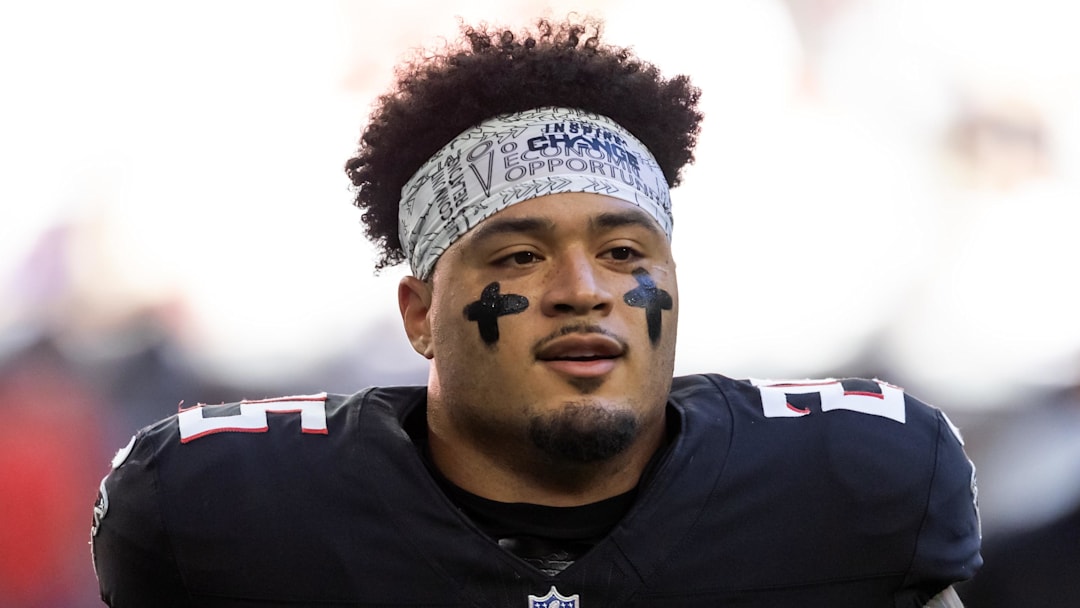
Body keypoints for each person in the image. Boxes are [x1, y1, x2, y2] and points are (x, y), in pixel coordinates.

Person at [91, 16, 981, 607]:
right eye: (519, 256)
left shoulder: (857, 485)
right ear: (419, 315)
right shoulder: (226, 510)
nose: (583, 289)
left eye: (624, 253)